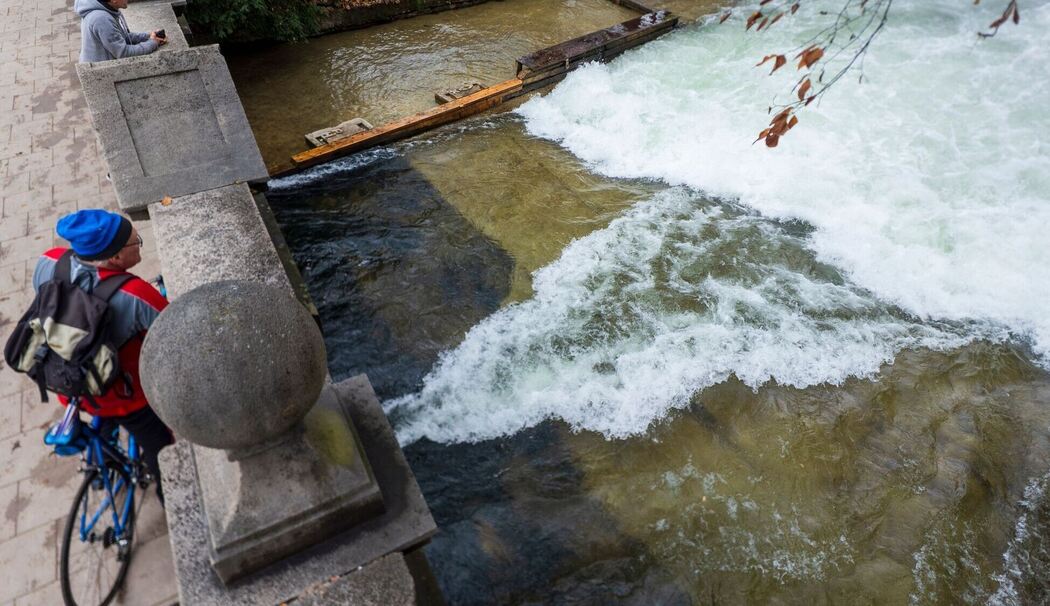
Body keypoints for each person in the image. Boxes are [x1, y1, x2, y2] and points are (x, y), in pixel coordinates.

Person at [33, 209, 173, 503]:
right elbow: (174, 338)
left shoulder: (48, 261)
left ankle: (103, 469)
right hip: (127, 397)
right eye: (137, 242)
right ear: (116, 259)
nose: (140, 245)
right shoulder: (136, 294)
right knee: (163, 454)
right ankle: (172, 497)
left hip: (68, 384)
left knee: (101, 424)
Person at [75, 0, 167, 63]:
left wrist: (148, 36)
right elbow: (123, 53)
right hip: (102, 75)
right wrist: (153, 43)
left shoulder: (110, 9)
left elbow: (124, 36)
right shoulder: (101, 19)